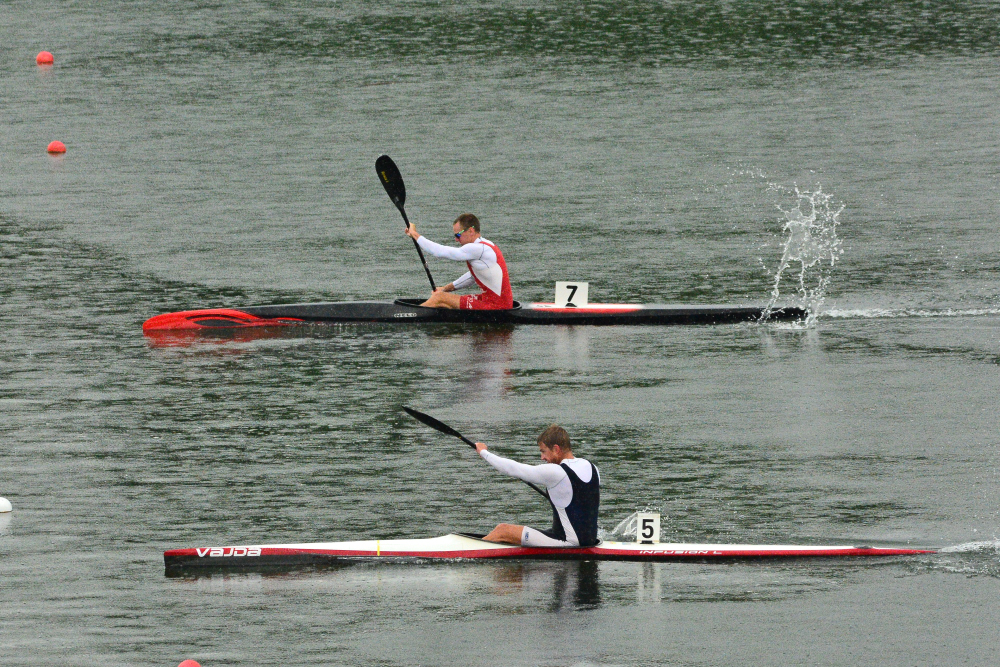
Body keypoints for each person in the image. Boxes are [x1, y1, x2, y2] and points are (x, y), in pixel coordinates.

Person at [474, 425, 600, 547]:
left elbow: (512, 469)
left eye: (543, 451)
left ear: (556, 449)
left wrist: (484, 452)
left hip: (567, 543)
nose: (542, 457)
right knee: (516, 536)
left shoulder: (557, 472)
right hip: (590, 540)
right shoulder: (592, 467)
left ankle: (467, 550)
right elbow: (579, 503)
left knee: (502, 530)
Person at [403, 213, 513, 310]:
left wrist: (415, 234)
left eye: (458, 235)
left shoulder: (478, 248)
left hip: (496, 307)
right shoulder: (485, 245)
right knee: (443, 300)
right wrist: (445, 289)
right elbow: (472, 277)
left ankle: (408, 315)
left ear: (471, 231)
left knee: (439, 298)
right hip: (493, 301)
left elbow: (439, 251)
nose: (456, 239)